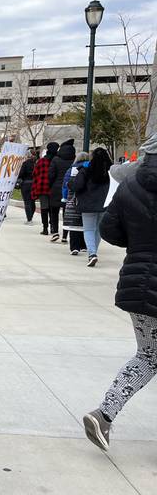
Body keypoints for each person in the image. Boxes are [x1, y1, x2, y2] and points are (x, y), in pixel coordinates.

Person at [82, 136, 157, 453]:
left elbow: (110, 230)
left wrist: (140, 243)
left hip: (138, 284)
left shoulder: (128, 185)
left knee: (147, 356)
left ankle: (105, 414)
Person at [72, 147, 111, 267]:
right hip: (104, 204)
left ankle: (92, 253)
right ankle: (93, 252)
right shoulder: (110, 171)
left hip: (88, 204)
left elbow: (77, 185)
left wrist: (70, 183)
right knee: (98, 230)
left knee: (89, 229)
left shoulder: (85, 170)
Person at [48, 139, 76, 243]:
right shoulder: (74, 160)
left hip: (56, 188)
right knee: (67, 214)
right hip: (69, 189)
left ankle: (55, 232)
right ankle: (65, 235)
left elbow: (51, 175)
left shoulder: (55, 159)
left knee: (54, 211)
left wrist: (50, 186)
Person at [61, 151, 88, 255]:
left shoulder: (71, 169)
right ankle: (84, 245)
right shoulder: (90, 169)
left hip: (72, 199)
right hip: (86, 199)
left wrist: (64, 197)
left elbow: (65, 185)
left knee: (74, 223)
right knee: (85, 223)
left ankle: (74, 247)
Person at [32, 142, 59, 236]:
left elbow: (35, 174)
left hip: (42, 187)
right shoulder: (57, 160)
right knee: (53, 208)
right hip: (53, 189)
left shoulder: (41, 161)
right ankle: (53, 227)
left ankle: (45, 228)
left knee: (44, 208)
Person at [18, 148, 37, 225]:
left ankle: (29, 219)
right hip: (34, 184)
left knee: (27, 202)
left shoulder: (25, 163)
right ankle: (31, 216)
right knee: (32, 201)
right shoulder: (36, 163)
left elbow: (21, 174)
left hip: (26, 184)